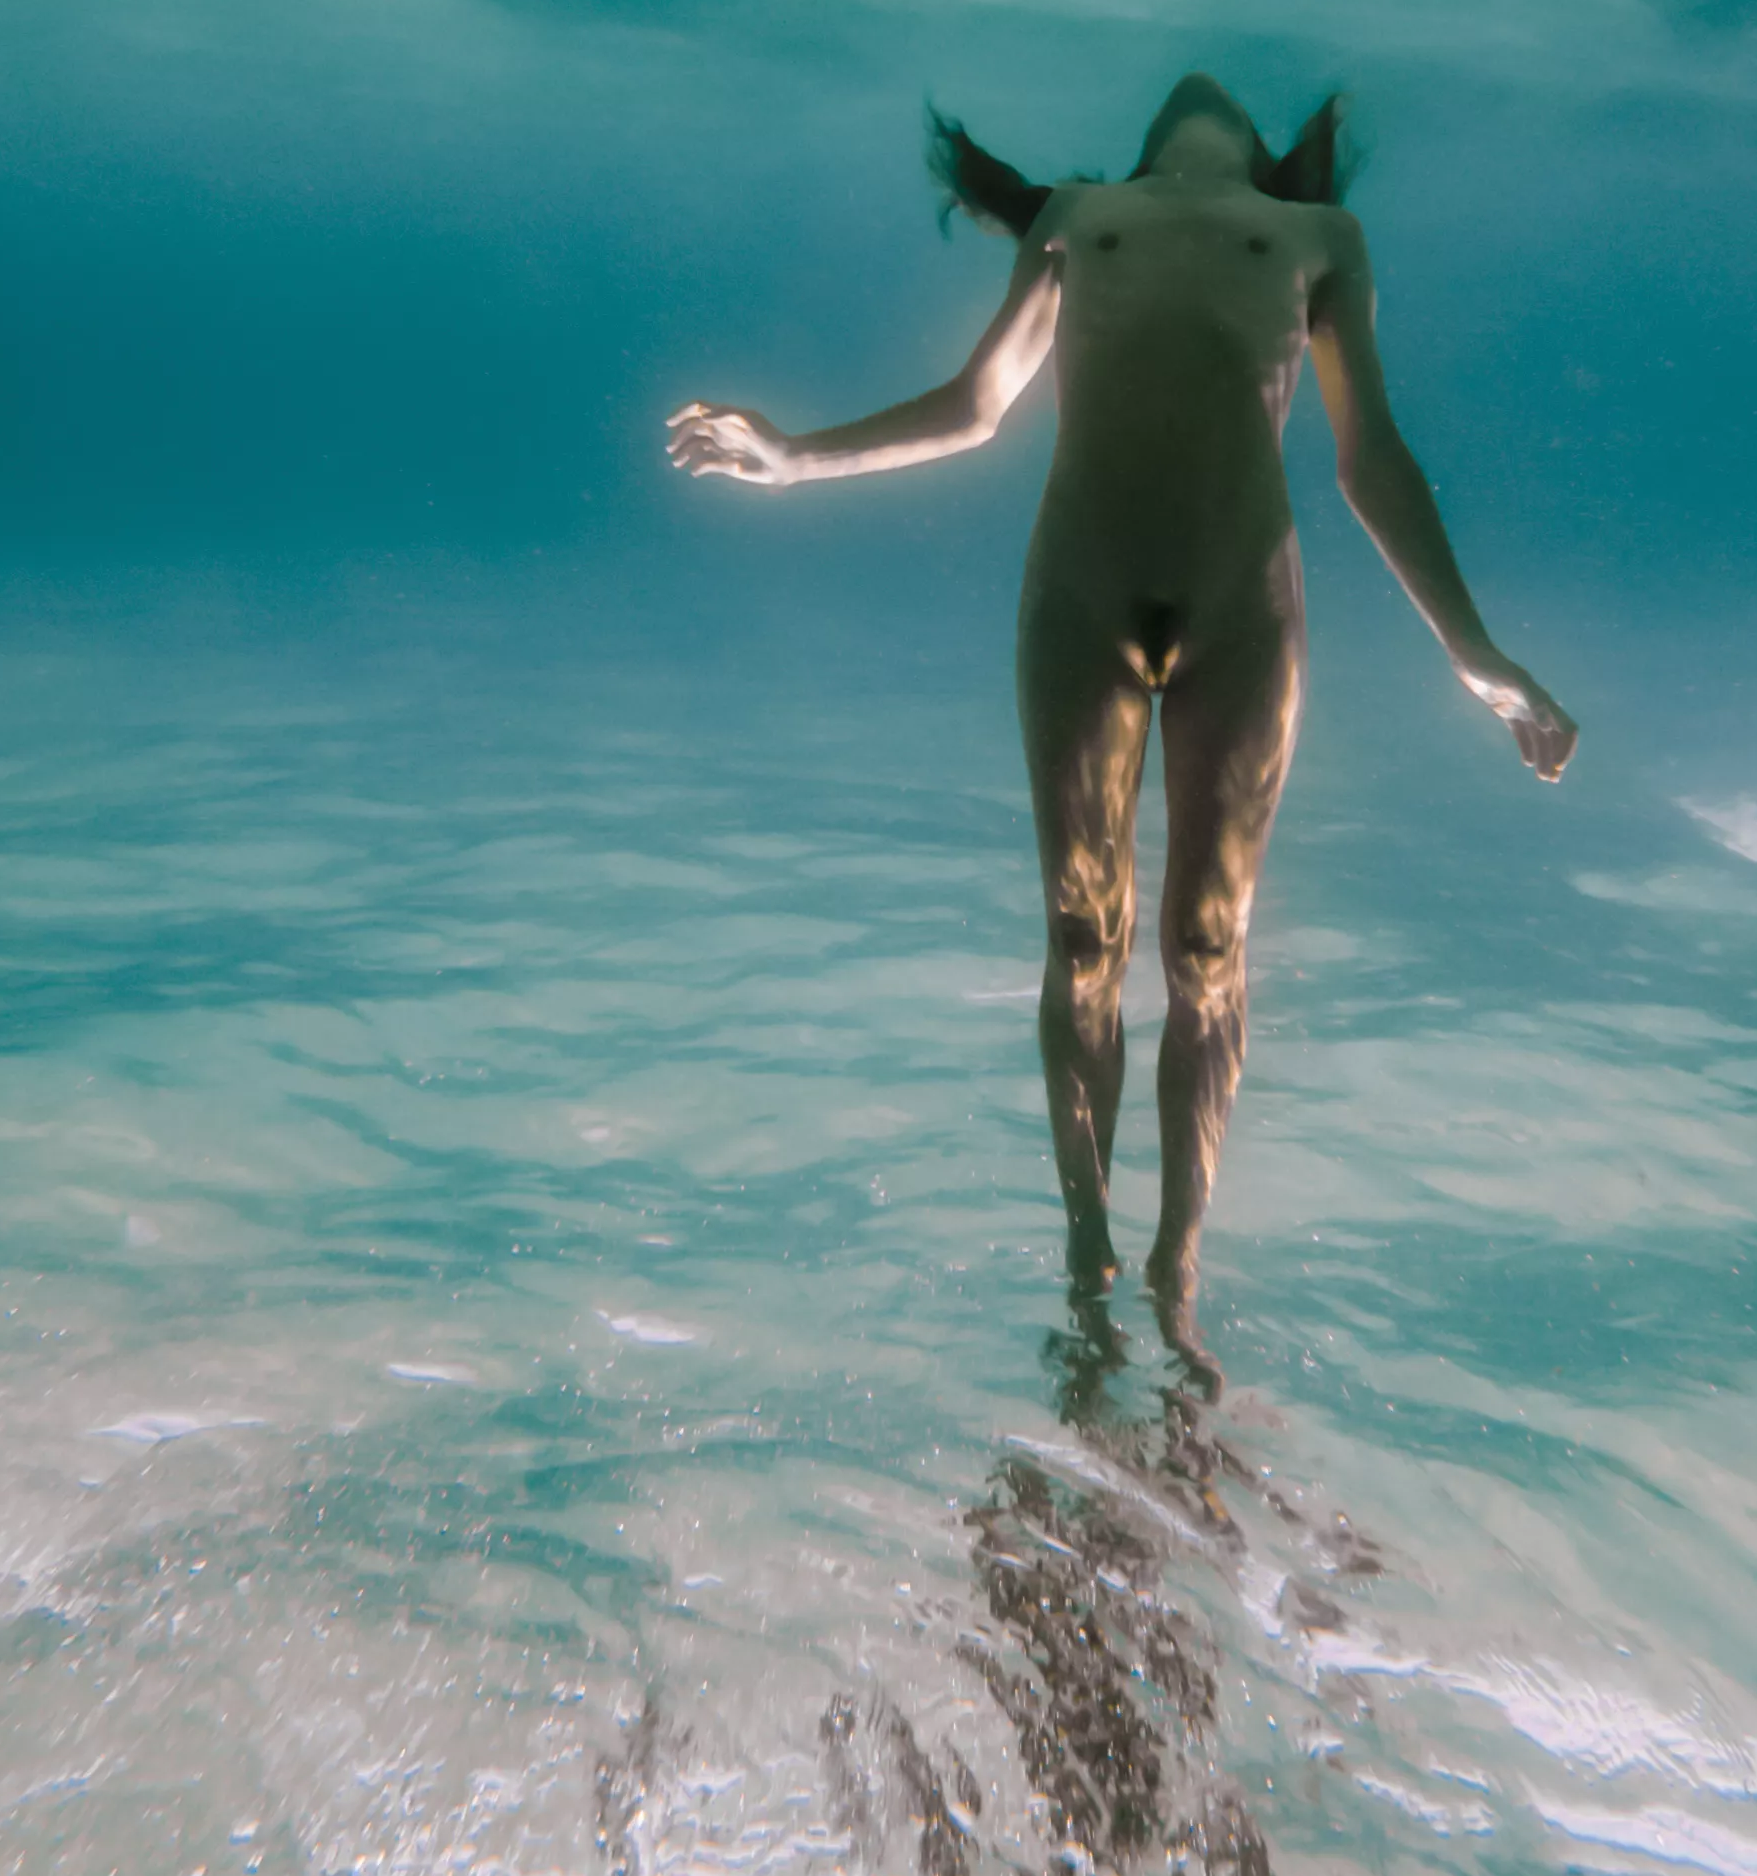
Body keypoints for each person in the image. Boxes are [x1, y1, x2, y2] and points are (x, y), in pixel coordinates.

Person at [668, 73, 1574, 1371]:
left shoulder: (1319, 239)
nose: (1193, 81)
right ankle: (1090, 1252)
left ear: (1274, 162)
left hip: (1242, 603)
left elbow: (1367, 453)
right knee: (1081, 934)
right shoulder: (1079, 217)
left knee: (1208, 949)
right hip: (1079, 594)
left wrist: (1474, 654)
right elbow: (977, 406)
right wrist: (793, 455)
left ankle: (1176, 1267)